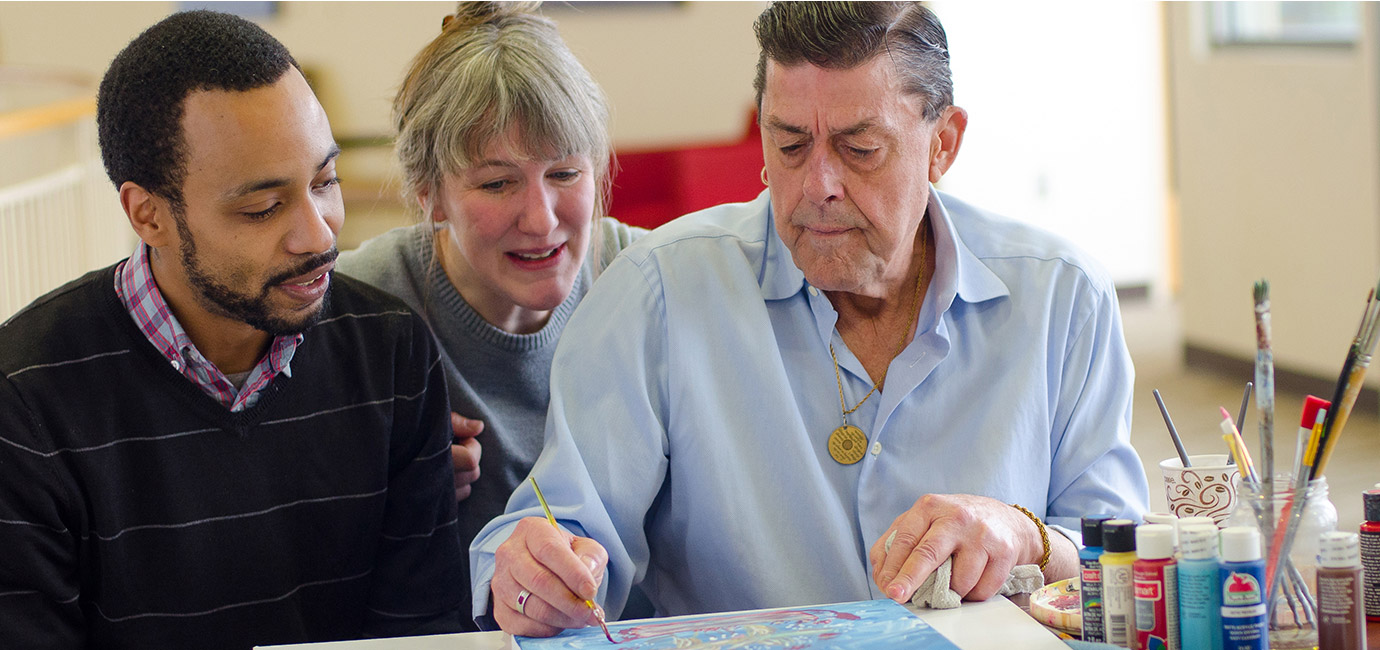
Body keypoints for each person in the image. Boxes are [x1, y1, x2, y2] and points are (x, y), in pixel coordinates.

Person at [470, 1, 1149, 637]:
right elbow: (559, 530)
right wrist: (532, 571)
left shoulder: (1062, 297)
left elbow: (1125, 554)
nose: (818, 185)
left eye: (859, 148)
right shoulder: (658, 295)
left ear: (943, 144)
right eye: (791, 145)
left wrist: (1027, 536)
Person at [0, 11, 464, 649]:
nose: (320, 233)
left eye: (324, 181)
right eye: (262, 208)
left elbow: (423, 633)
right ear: (149, 215)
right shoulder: (25, 398)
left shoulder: (391, 352)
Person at [335, 1, 643, 629]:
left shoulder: (643, 281)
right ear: (429, 192)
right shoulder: (359, 307)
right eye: (497, 183)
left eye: (565, 173)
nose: (541, 219)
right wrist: (379, 487)